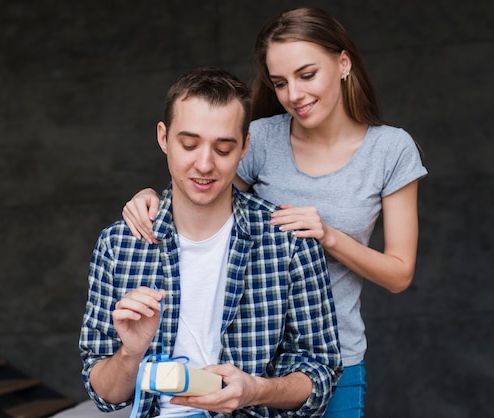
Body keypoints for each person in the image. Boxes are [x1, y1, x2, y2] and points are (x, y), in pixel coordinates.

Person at [121, 8, 428, 418]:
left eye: (306, 75)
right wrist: (151, 194)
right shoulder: (260, 139)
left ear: (343, 62)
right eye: (280, 82)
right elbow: (204, 196)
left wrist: (328, 235)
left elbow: (399, 273)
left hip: (335, 358)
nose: (293, 95)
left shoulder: (391, 150)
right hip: (253, 358)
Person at [77, 67, 341, 418]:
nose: (204, 164)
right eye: (189, 144)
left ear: (245, 147)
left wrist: (255, 390)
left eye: (223, 148)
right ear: (163, 137)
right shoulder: (119, 245)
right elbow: (105, 395)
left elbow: (320, 372)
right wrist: (131, 353)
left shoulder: (288, 240)